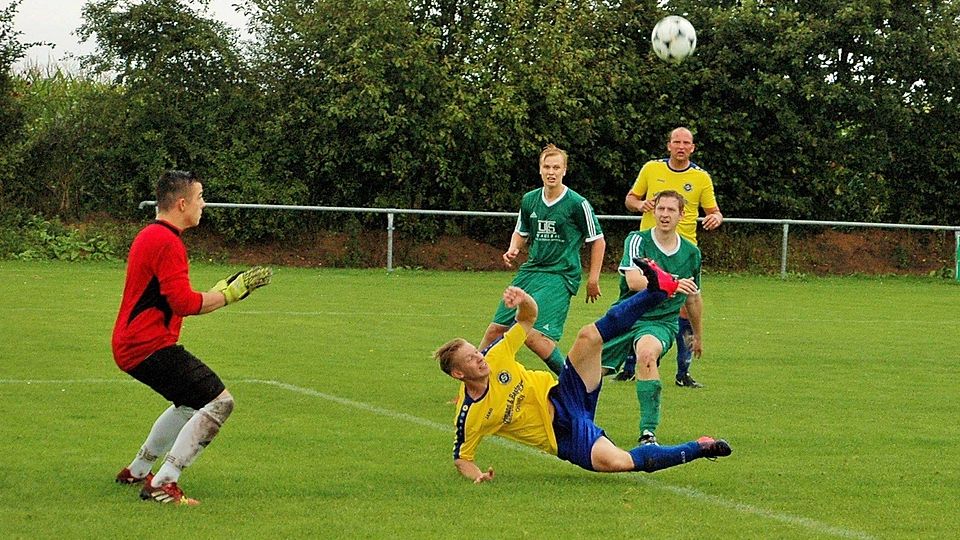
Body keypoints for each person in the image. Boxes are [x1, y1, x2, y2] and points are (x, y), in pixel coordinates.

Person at [435, 263, 729, 482]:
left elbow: (529, 318)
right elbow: (462, 457)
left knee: (588, 336)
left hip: (565, 393)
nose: (480, 358)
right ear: (459, 374)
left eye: (477, 351)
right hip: (563, 435)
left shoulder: (496, 355)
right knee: (617, 462)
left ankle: (657, 290)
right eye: (472, 360)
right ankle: (700, 448)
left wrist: (522, 298)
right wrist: (477, 477)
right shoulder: (469, 414)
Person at [111, 170, 272, 505]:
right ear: (182, 203)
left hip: (135, 343)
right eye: (200, 198)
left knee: (189, 404)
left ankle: (139, 469)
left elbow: (172, 296)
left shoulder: (151, 235)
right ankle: (163, 482)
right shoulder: (167, 241)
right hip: (147, 346)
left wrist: (220, 292)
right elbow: (183, 303)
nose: (204, 204)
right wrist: (230, 295)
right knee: (220, 402)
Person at [478, 144, 606, 375]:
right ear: (540, 170)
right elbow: (521, 231)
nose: (551, 172)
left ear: (564, 170)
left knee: (535, 337)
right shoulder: (530, 200)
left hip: (560, 274)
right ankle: (472, 387)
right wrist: (513, 248)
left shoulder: (577, 204)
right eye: (547, 166)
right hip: (531, 271)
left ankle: (571, 384)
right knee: (495, 330)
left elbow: (597, 240)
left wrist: (593, 279)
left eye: (556, 167)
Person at [623, 127, 722, 388]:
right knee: (639, 302)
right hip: (649, 250)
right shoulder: (651, 169)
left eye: (686, 142)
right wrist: (639, 204)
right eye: (676, 142)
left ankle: (683, 371)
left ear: (693, 147)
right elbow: (631, 199)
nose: (681, 146)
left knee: (686, 308)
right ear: (668, 145)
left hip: (683, 250)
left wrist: (715, 217)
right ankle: (629, 366)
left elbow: (714, 211)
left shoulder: (701, 178)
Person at [602, 190, 703, 446]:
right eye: (660, 209)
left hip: (660, 323)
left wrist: (697, 335)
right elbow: (634, 281)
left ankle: (648, 434)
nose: (665, 215)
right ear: (653, 211)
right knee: (584, 373)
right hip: (624, 317)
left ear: (682, 215)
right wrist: (673, 282)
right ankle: (567, 422)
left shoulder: (691, 253)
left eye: (671, 210)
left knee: (647, 355)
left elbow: (693, 298)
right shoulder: (637, 240)